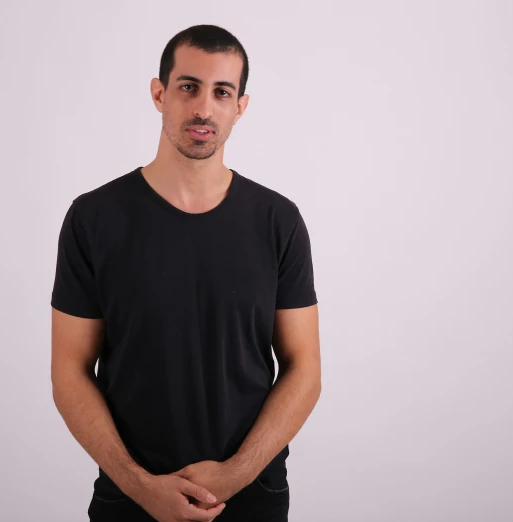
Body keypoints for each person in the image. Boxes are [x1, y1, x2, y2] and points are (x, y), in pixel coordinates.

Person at [50, 24, 321, 522]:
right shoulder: (94, 218)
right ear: (160, 93)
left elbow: (304, 369)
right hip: (130, 499)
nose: (203, 108)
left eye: (222, 93)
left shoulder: (278, 221)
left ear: (240, 107)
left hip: (251, 496)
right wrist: (140, 486)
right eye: (188, 87)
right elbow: (69, 371)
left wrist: (235, 474)